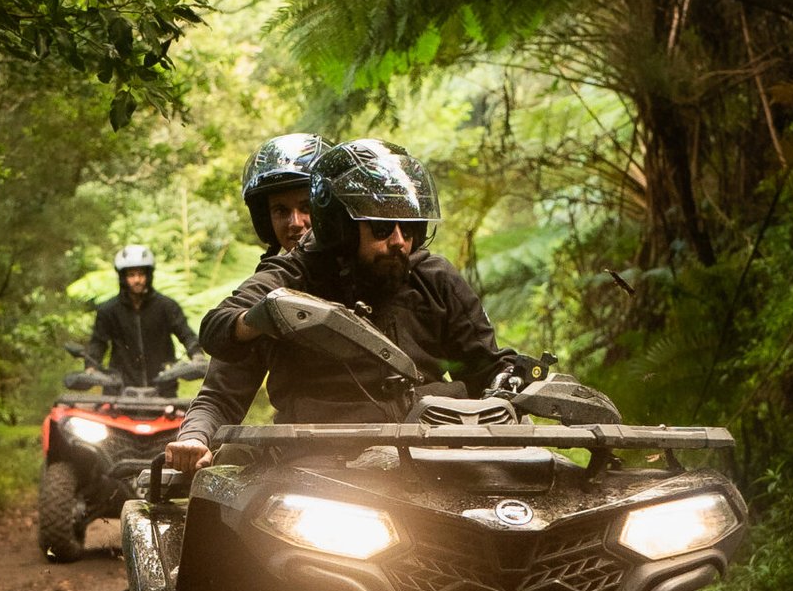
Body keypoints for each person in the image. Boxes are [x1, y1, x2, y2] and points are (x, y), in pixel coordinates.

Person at [165, 140, 511, 472]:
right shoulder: (288, 278)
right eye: (379, 228)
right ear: (341, 226)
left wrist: (518, 385)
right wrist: (195, 437)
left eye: (409, 228)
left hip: (435, 458)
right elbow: (219, 349)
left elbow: (488, 370)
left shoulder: (434, 279)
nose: (398, 241)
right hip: (322, 469)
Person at [88, 245, 195, 389]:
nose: (137, 280)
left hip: (162, 386)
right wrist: (91, 366)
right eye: (131, 275)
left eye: (141, 274)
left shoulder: (167, 306)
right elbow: (98, 342)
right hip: (121, 389)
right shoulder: (108, 310)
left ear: (149, 275)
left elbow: (185, 333)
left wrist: (197, 355)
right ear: (123, 278)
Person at [240, 131, 329, 262]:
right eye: (281, 211)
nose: (296, 223)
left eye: (307, 208)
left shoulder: (363, 269)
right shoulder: (275, 279)